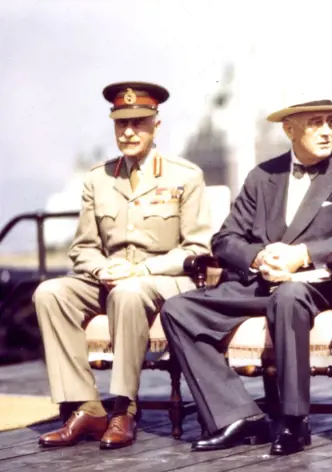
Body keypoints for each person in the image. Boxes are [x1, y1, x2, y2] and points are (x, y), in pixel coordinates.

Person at [160, 98, 332, 456]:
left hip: (316, 285)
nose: (327, 130)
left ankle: (293, 421)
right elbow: (225, 239)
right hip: (258, 282)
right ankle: (238, 416)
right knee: (177, 309)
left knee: (288, 297)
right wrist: (258, 256)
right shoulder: (262, 176)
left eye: (330, 122)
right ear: (289, 129)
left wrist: (302, 255)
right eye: (315, 123)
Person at [34, 81, 212, 449]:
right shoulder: (98, 178)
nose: (129, 132)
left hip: (163, 280)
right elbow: (83, 248)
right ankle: (86, 407)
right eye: (121, 124)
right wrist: (102, 269)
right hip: (110, 277)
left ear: (156, 126)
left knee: (128, 294)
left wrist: (141, 271)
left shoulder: (185, 176)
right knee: (50, 292)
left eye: (138, 123)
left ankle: (123, 409)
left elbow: (196, 248)